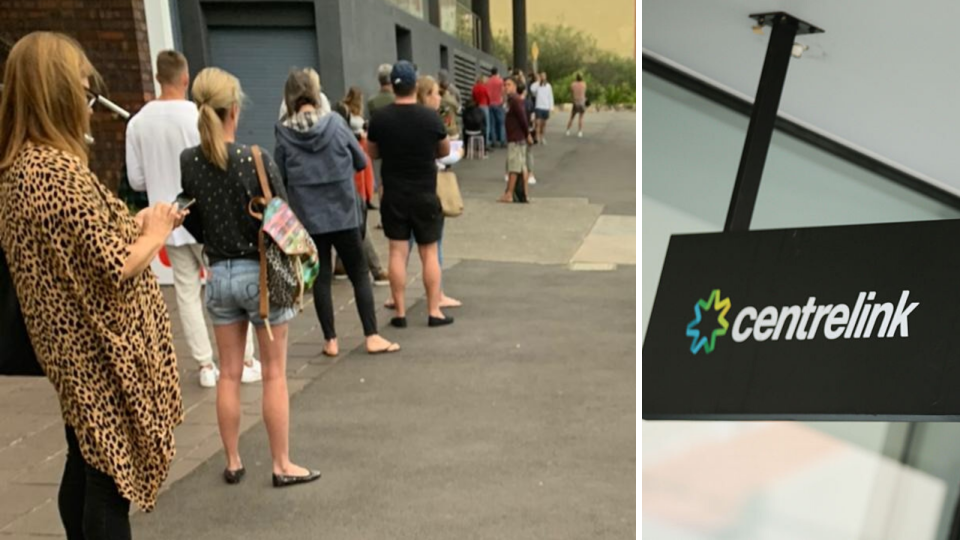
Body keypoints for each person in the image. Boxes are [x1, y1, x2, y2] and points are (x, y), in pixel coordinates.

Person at [0, 32, 184, 538]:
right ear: (56, 93)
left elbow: (83, 245)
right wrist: (158, 230)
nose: (88, 101)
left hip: (69, 348)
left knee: (85, 464)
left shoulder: (22, 168)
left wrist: (136, 222)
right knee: (107, 479)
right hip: (96, 352)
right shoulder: (55, 171)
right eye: (82, 90)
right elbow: (114, 262)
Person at [179, 67, 321, 489]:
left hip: (218, 276)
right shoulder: (254, 159)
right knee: (274, 373)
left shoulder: (190, 161)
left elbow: (191, 218)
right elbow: (282, 215)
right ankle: (281, 464)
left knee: (228, 373)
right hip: (260, 278)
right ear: (234, 111)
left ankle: (233, 460)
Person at [126, 49, 262, 389]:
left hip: (166, 220)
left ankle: (205, 365)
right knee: (226, 281)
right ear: (185, 78)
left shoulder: (138, 122)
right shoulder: (197, 115)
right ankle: (243, 358)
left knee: (186, 292)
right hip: (206, 216)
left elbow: (136, 181)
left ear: (158, 77)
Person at [276, 72, 400, 357]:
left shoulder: (283, 133)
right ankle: (371, 336)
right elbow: (359, 161)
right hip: (343, 212)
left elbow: (280, 177)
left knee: (320, 279)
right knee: (358, 272)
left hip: (309, 217)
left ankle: (330, 340)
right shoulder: (335, 123)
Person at [367, 61, 453, 328]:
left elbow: (372, 153)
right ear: (415, 85)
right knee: (429, 252)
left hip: (393, 193)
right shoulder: (430, 118)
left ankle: (400, 312)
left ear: (393, 86)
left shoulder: (380, 118)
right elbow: (445, 150)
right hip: (425, 192)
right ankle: (433, 311)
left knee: (397, 252)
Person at [332, 86, 390, 286]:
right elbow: (361, 160)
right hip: (346, 180)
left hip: (317, 190)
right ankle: (376, 270)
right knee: (358, 224)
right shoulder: (344, 127)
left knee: (340, 225)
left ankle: (340, 266)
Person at [498, 77, 533, 204]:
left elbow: (523, 118)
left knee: (514, 167)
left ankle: (509, 193)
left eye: (509, 84)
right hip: (516, 137)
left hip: (516, 138)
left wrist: (527, 133)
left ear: (515, 86)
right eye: (505, 85)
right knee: (521, 166)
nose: (506, 87)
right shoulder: (510, 101)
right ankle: (524, 193)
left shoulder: (516, 101)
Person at [368, 63, 395, 202]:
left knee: (380, 181)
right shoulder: (397, 99)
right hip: (397, 144)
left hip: (378, 144)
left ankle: (383, 214)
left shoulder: (372, 102)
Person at [531, 72, 554, 145]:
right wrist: (538, 81)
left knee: (543, 125)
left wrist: (551, 107)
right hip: (538, 107)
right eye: (541, 76)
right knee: (537, 123)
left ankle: (542, 137)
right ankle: (537, 138)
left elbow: (550, 97)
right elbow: (532, 89)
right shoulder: (537, 85)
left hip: (546, 107)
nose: (543, 77)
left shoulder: (548, 86)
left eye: (544, 76)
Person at [485, 67, 506, 148]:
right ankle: (502, 140)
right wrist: (503, 101)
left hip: (490, 104)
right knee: (501, 123)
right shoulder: (500, 81)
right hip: (498, 103)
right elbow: (503, 92)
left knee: (492, 123)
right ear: (497, 72)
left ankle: (493, 141)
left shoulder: (488, 81)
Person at [471, 74, 491, 147]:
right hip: (484, 106)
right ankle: (486, 142)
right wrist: (488, 104)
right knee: (487, 125)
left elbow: (473, 97)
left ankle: (478, 143)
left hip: (477, 106)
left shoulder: (474, 88)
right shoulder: (484, 87)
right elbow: (488, 97)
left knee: (478, 125)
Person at [566, 73, 588, 138]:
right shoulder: (584, 84)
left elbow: (571, 92)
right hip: (582, 102)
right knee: (580, 118)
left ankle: (568, 130)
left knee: (572, 117)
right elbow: (584, 92)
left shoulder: (573, 84)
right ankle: (580, 132)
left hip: (575, 102)